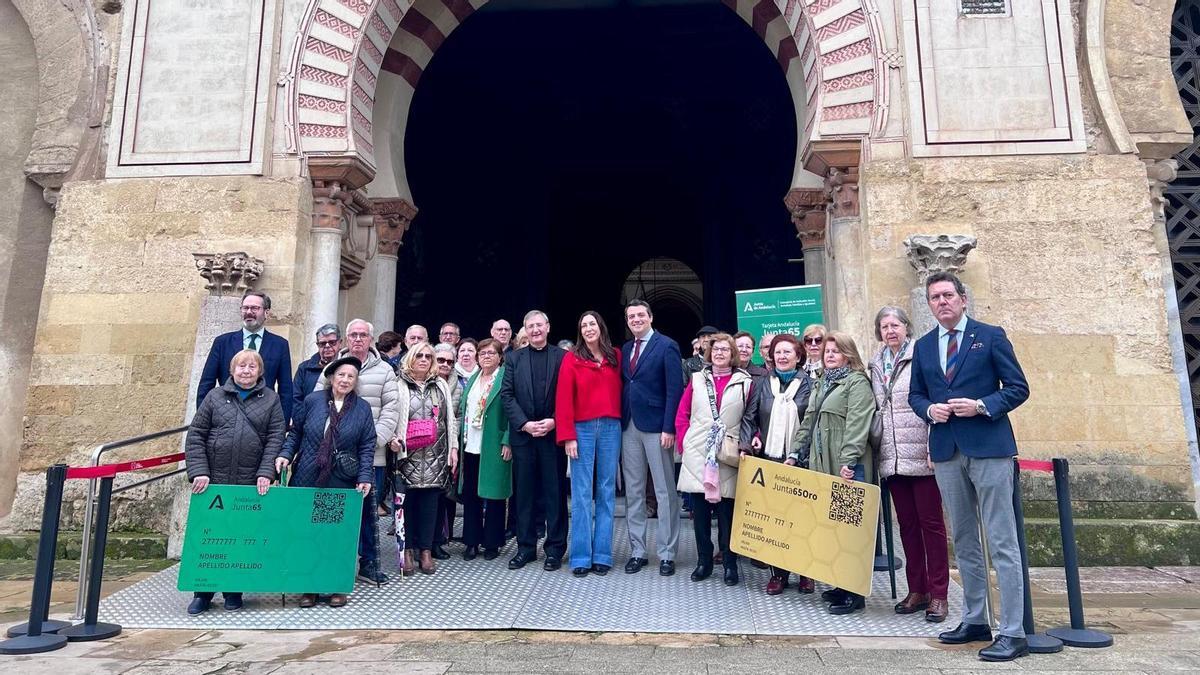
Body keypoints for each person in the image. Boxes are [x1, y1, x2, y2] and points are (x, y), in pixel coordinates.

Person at [908, 271, 1030, 662]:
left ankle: (1013, 630)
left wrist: (981, 406)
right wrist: (929, 410)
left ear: (962, 299)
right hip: (946, 449)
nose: (941, 302)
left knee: (1001, 539)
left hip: (989, 447)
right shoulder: (925, 346)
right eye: (934, 298)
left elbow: (1017, 387)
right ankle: (976, 619)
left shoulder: (990, 336)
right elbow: (915, 395)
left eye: (947, 295)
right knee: (963, 539)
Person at [184, 349, 285, 614]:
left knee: (240, 537)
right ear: (232, 370)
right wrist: (199, 471)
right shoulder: (214, 396)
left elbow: (276, 437)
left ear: (260, 371)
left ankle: (233, 591)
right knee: (209, 537)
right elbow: (197, 434)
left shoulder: (271, 400)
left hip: (247, 480)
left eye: (252, 366)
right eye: (241, 366)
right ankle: (202, 592)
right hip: (213, 479)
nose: (246, 371)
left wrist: (266, 472)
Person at [869, 305, 949, 623]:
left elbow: (933, 402)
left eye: (896, 325)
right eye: (885, 326)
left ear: (906, 327)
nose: (890, 330)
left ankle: (939, 593)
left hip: (921, 452)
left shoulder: (922, 356)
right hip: (892, 456)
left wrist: (934, 445)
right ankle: (917, 589)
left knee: (932, 526)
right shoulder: (876, 364)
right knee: (907, 527)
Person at [276, 355, 375, 608]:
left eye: (351, 376)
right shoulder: (312, 401)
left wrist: (364, 476)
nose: (345, 380)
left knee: (334, 535)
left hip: (339, 481)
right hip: (308, 477)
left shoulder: (362, 408)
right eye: (341, 375)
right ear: (331, 377)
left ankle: (336, 586)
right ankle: (308, 587)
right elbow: (296, 432)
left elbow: (366, 445)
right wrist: (286, 455)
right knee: (307, 533)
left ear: (356, 381)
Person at [789, 331, 875, 615]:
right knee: (833, 526)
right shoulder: (822, 383)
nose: (829, 355)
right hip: (821, 462)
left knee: (851, 528)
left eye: (835, 351)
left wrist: (849, 461)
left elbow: (858, 423)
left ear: (848, 355)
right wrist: (794, 452)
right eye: (827, 351)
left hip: (845, 465)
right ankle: (840, 584)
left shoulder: (857, 382)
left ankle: (855, 594)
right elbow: (808, 422)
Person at [315, 319, 399, 585]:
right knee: (331, 511)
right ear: (346, 339)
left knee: (368, 513)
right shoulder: (332, 368)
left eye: (363, 335)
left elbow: (391, 409)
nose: (358, 339)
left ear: (371, 339)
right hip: (332, 455)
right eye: (353, 335)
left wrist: (372, 441)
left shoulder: (385, 370)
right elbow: (317, 405)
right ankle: (328, 564)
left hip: (370, 455)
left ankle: (369, 563)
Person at [675, 333, 752, 586]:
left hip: (727, 452)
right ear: (710, 353)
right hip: (698, 451)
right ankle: (703, 562)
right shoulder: (697, 379)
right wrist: (684, 442)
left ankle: (730, 564)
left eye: (725, 350)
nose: (720, 353)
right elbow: (682, 413)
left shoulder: (745, 382)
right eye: (716, 349)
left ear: (733, 354)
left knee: (727, 513)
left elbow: (751, 418)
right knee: (699, 514)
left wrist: (749, 442)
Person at [740, 333, 815, 593]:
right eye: (777, 352)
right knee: (775, 520)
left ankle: (806, 574)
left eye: (787, 352)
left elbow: (812, 424)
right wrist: (749, 443)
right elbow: (750, 417)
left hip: (800, 461)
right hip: (769, 460)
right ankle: (779, 574)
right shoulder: (762, 383)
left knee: (802, 520)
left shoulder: (809, 384)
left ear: (798, 356)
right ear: (771, 356)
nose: (782, 357)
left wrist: (799, 453)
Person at [555, 311, 622, 577]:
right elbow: (563, 398)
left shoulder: (615, 356)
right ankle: (581, 555)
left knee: (606, 490)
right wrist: (568, 435)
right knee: (581, 492)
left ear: (601, 326)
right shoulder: (572, 358)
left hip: (610, 426)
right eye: (583, 325)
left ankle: (603, 554)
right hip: (581, 428)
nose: (588, 328)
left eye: (592, 323)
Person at [620, 300, 685, 576]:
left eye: (640, 315)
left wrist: (669, 427)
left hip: (658, 427)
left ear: (650, 317)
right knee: (633, 491)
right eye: (631, 316)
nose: (635, 320)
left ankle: (667, 553)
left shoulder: (666, 345)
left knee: (664, 490)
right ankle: (637, 550)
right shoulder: (625, 349)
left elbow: (674, 389)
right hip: (630, 424)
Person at [500, 310, 568, 571]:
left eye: (540, 325)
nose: (536, 330)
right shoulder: (513, 359)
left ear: (548, 327)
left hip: (552, 435)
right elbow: (507, 395)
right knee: (524, 495)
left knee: (555, 494)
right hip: (524, 437)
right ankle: (526, 548)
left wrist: (554, 420)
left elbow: (568, 395)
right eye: (531, 326)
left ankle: (554, 550)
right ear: (525, 330)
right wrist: (525, 424)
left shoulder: (563, 358)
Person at [389, 342, 459, 575]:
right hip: (407, 453)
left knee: (430, 504)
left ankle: (426, 550)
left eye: (429, 356)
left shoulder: (440, 385)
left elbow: (450, 419)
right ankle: (408, 550)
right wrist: (392, 439)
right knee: (407, 503)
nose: (424, 359)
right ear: (410, 357)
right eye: (419, 355)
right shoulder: (399, 384)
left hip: (435, 453)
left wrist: (453, 448)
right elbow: (390, 415)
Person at [197, 290, 293, 422]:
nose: (249, 312)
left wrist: (282, 425)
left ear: (266, 313)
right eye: (245, 308)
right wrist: (203, 419)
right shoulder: (222, 342)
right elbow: (206, 384)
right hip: (225, 417)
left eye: (255, 308)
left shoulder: (280, 345)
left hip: (263, 419)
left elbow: (286, 389)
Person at [456, 339, 511, 561]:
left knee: (495, 495)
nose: (486, 356)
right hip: (471, 445)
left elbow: (511, 410)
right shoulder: (473, 379)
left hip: (494, 444)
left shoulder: (505, 378)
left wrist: (508, 440)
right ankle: (471, 541)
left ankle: (492, 542)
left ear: (500, 356)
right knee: (471, 495)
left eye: (491, 353)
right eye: (482, 353)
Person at [432, 341, 465, 558]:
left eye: (449, 361)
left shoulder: (460, 387)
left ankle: (437, 541)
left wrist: (451, 436)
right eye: (441, 360)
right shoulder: (425, 381)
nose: (445, 364)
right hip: (421, 446)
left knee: (443, 498)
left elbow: (460, 416)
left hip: (447, 447)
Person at [292, 323, 341, 414]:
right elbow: (295, 399)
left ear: (340, 343)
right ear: (318, 345)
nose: (327, 346)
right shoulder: (305, 368)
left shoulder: (347, 368)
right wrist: (303, 421)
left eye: (332, 342)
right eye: (322, 343)